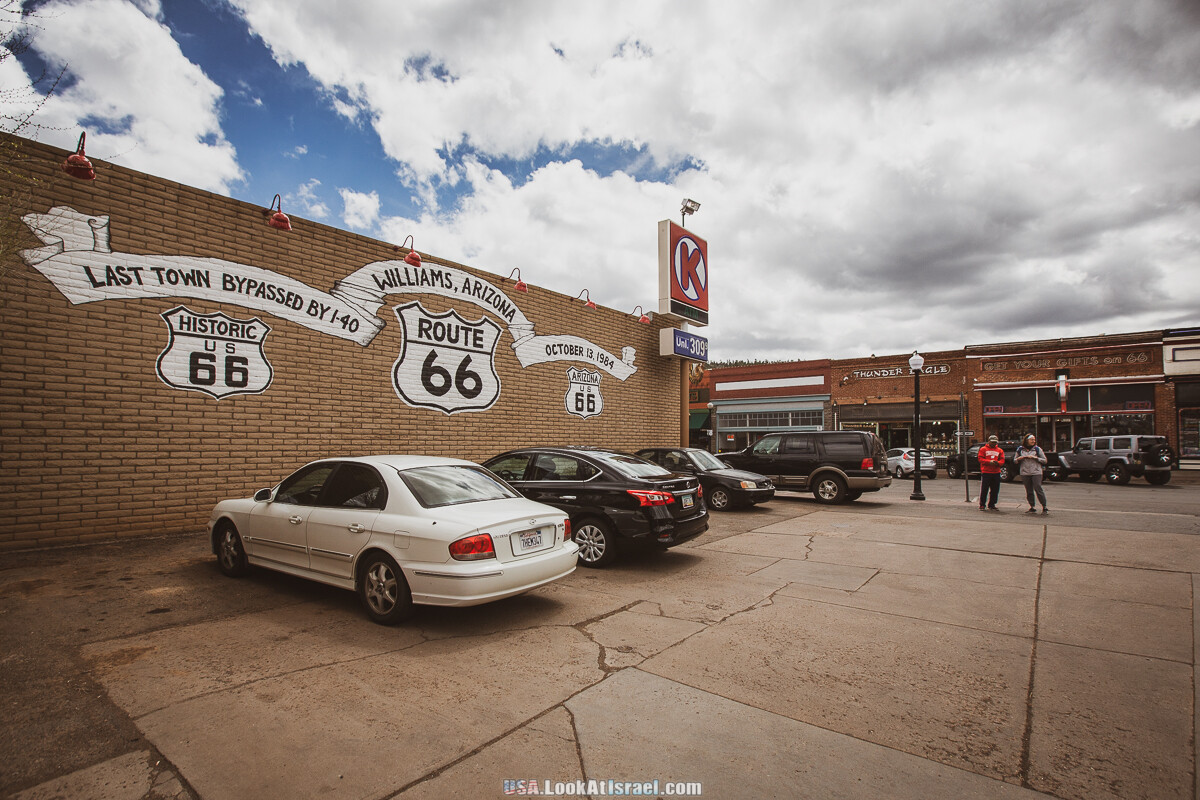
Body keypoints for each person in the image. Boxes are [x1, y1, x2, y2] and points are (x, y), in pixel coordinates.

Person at [1015, 434, 1049, 515]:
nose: (1033, 441)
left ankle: (1044, 506)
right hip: (1025, 472)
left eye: (1034, 440)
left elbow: (1045, 460)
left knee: (1038, 488)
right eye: (1032, 440)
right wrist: (1019, 458)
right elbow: (1015, 460)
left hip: (1036, 472)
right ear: (1027, 440)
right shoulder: (1020, 449)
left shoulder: (1037, 449)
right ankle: (1032, 506)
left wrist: (1035, 458)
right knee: (1029, 490)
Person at [978, 435, 1005, 511]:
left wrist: (998, 463)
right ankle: (982, 504)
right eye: (992, 442)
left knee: (995, 489)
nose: (994, 444)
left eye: (995, 442)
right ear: (989, 441)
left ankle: (992, 504)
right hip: (986, 472)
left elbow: (1002, 460)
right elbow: (980, 459)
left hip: (996, 472)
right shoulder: (983, 449)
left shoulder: (1000, 450)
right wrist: (989, 462)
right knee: (984, 489)